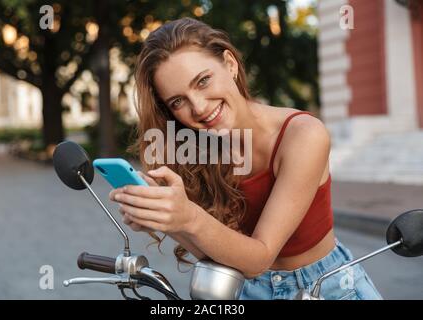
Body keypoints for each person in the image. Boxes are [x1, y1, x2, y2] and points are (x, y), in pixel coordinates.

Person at [109, 17, 382, 300]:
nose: (199, 107)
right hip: (246, 290)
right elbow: (222, 252)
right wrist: (167, 218)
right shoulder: (199, 151)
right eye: (178, 101)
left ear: (230, 64)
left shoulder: (303, 135)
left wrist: (189, 217)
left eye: (203, 81)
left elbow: (259, 257)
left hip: (326, 287)